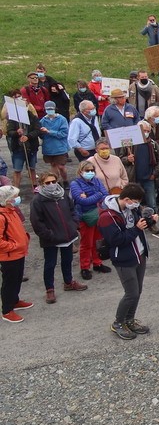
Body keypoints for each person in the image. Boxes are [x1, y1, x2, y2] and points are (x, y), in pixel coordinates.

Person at [98, 183, 155, 340]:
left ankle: (129, 320)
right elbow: (116, 239)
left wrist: (149, 221)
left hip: (140, 253)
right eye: (135, 201)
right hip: (124, 259)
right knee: (131, 293)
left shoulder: (131, 208)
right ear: (127, 199)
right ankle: (118, 322)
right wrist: (137, 228)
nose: (137, 205)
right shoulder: (107, 217)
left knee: (137, 291)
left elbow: (139, 225)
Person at [34, 172, 88, 299]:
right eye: (47, 183)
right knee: (50, 264)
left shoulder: (63, 194)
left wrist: (73, 224)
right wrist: (49, 235)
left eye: (53, 181)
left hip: (67, 235)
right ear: (42, 184)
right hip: (51, 239)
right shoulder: (38, 200)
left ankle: (68, 282)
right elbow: (36, 222)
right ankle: (50, 289)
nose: (51, 184)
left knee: (67, 260)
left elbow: (72, 210)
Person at [0, 186, 31, 323]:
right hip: (9, 256)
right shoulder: (1, 216)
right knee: (9, 282)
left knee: (17, 278)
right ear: (6, 199)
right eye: (14, 197)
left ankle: (15, 301)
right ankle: (7, 310)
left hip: (18, 253)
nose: (17, 199)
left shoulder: (12, 211)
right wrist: (13, 246)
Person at [6, 99, 40, 192]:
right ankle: (15, 190)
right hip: (18, 148)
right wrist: (16, 132)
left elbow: (37, 130)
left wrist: (28, 136)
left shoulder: (33, 117)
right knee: (17, 170)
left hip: (31, 147)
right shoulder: (13, 119)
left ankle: (35, 186)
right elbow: (9, 132)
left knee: (32, 168)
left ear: (28, 105)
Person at [38, 100, 69, 185]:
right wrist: (41, 132)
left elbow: (64, 133)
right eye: (47, 109)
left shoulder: (62, 119)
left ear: (55, 108)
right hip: (48, 148)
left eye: (51, 108)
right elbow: (41, 135)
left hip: (60, 147)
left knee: (61, 166)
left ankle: (65, 181)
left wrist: (49, 131)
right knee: (53, 165)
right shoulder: (42, 121)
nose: (49, 110)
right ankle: (56, 182)